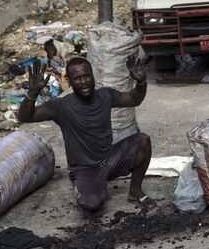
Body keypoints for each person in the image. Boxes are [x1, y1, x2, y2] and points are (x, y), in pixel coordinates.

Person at [17, 57, 156, 212]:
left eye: (86, 76)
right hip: (84, 169)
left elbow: (133, 99)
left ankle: (135, 192)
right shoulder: (61, 106)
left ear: (92, 76)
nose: (83, 81)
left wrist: (142, 83)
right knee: (92, 205)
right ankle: (86, 186)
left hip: (109, 159)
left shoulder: (105, 96)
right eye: (77, 78)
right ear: (69, 81)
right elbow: (25, 117)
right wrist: (32, 93)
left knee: (143, 140)